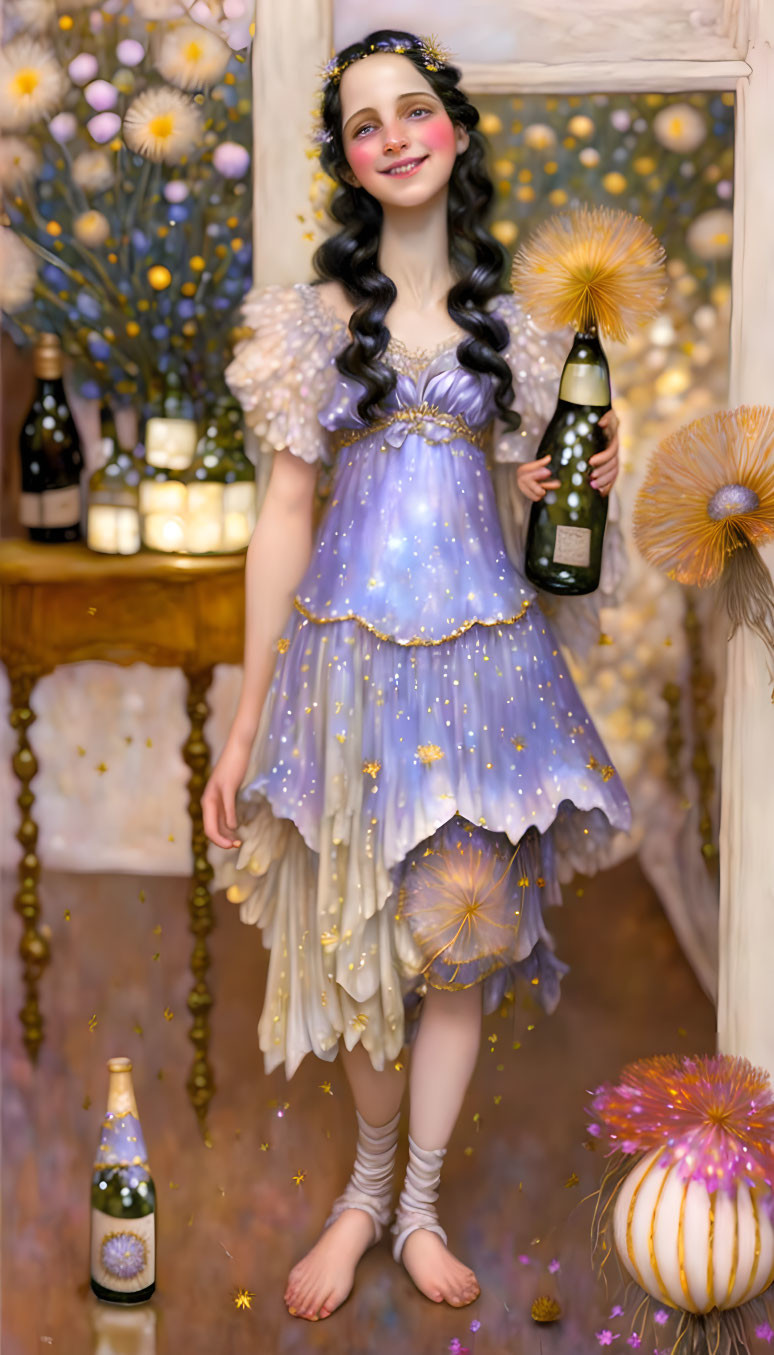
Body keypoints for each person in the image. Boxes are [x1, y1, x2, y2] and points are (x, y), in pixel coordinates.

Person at [203, 29, 631, 1324]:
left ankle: (422, 1201)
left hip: (481, 673)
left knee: (463, 938)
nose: (390, 135)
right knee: (359, 949)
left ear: (452, 127)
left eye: (411, 110)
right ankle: (366, 1184)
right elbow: (283, 518)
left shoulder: (524, 325)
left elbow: (536, 519)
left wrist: (577, 481)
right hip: (344, 672)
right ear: (345, 157)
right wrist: (242, 719)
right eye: (361, 122)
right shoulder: (309, 320)